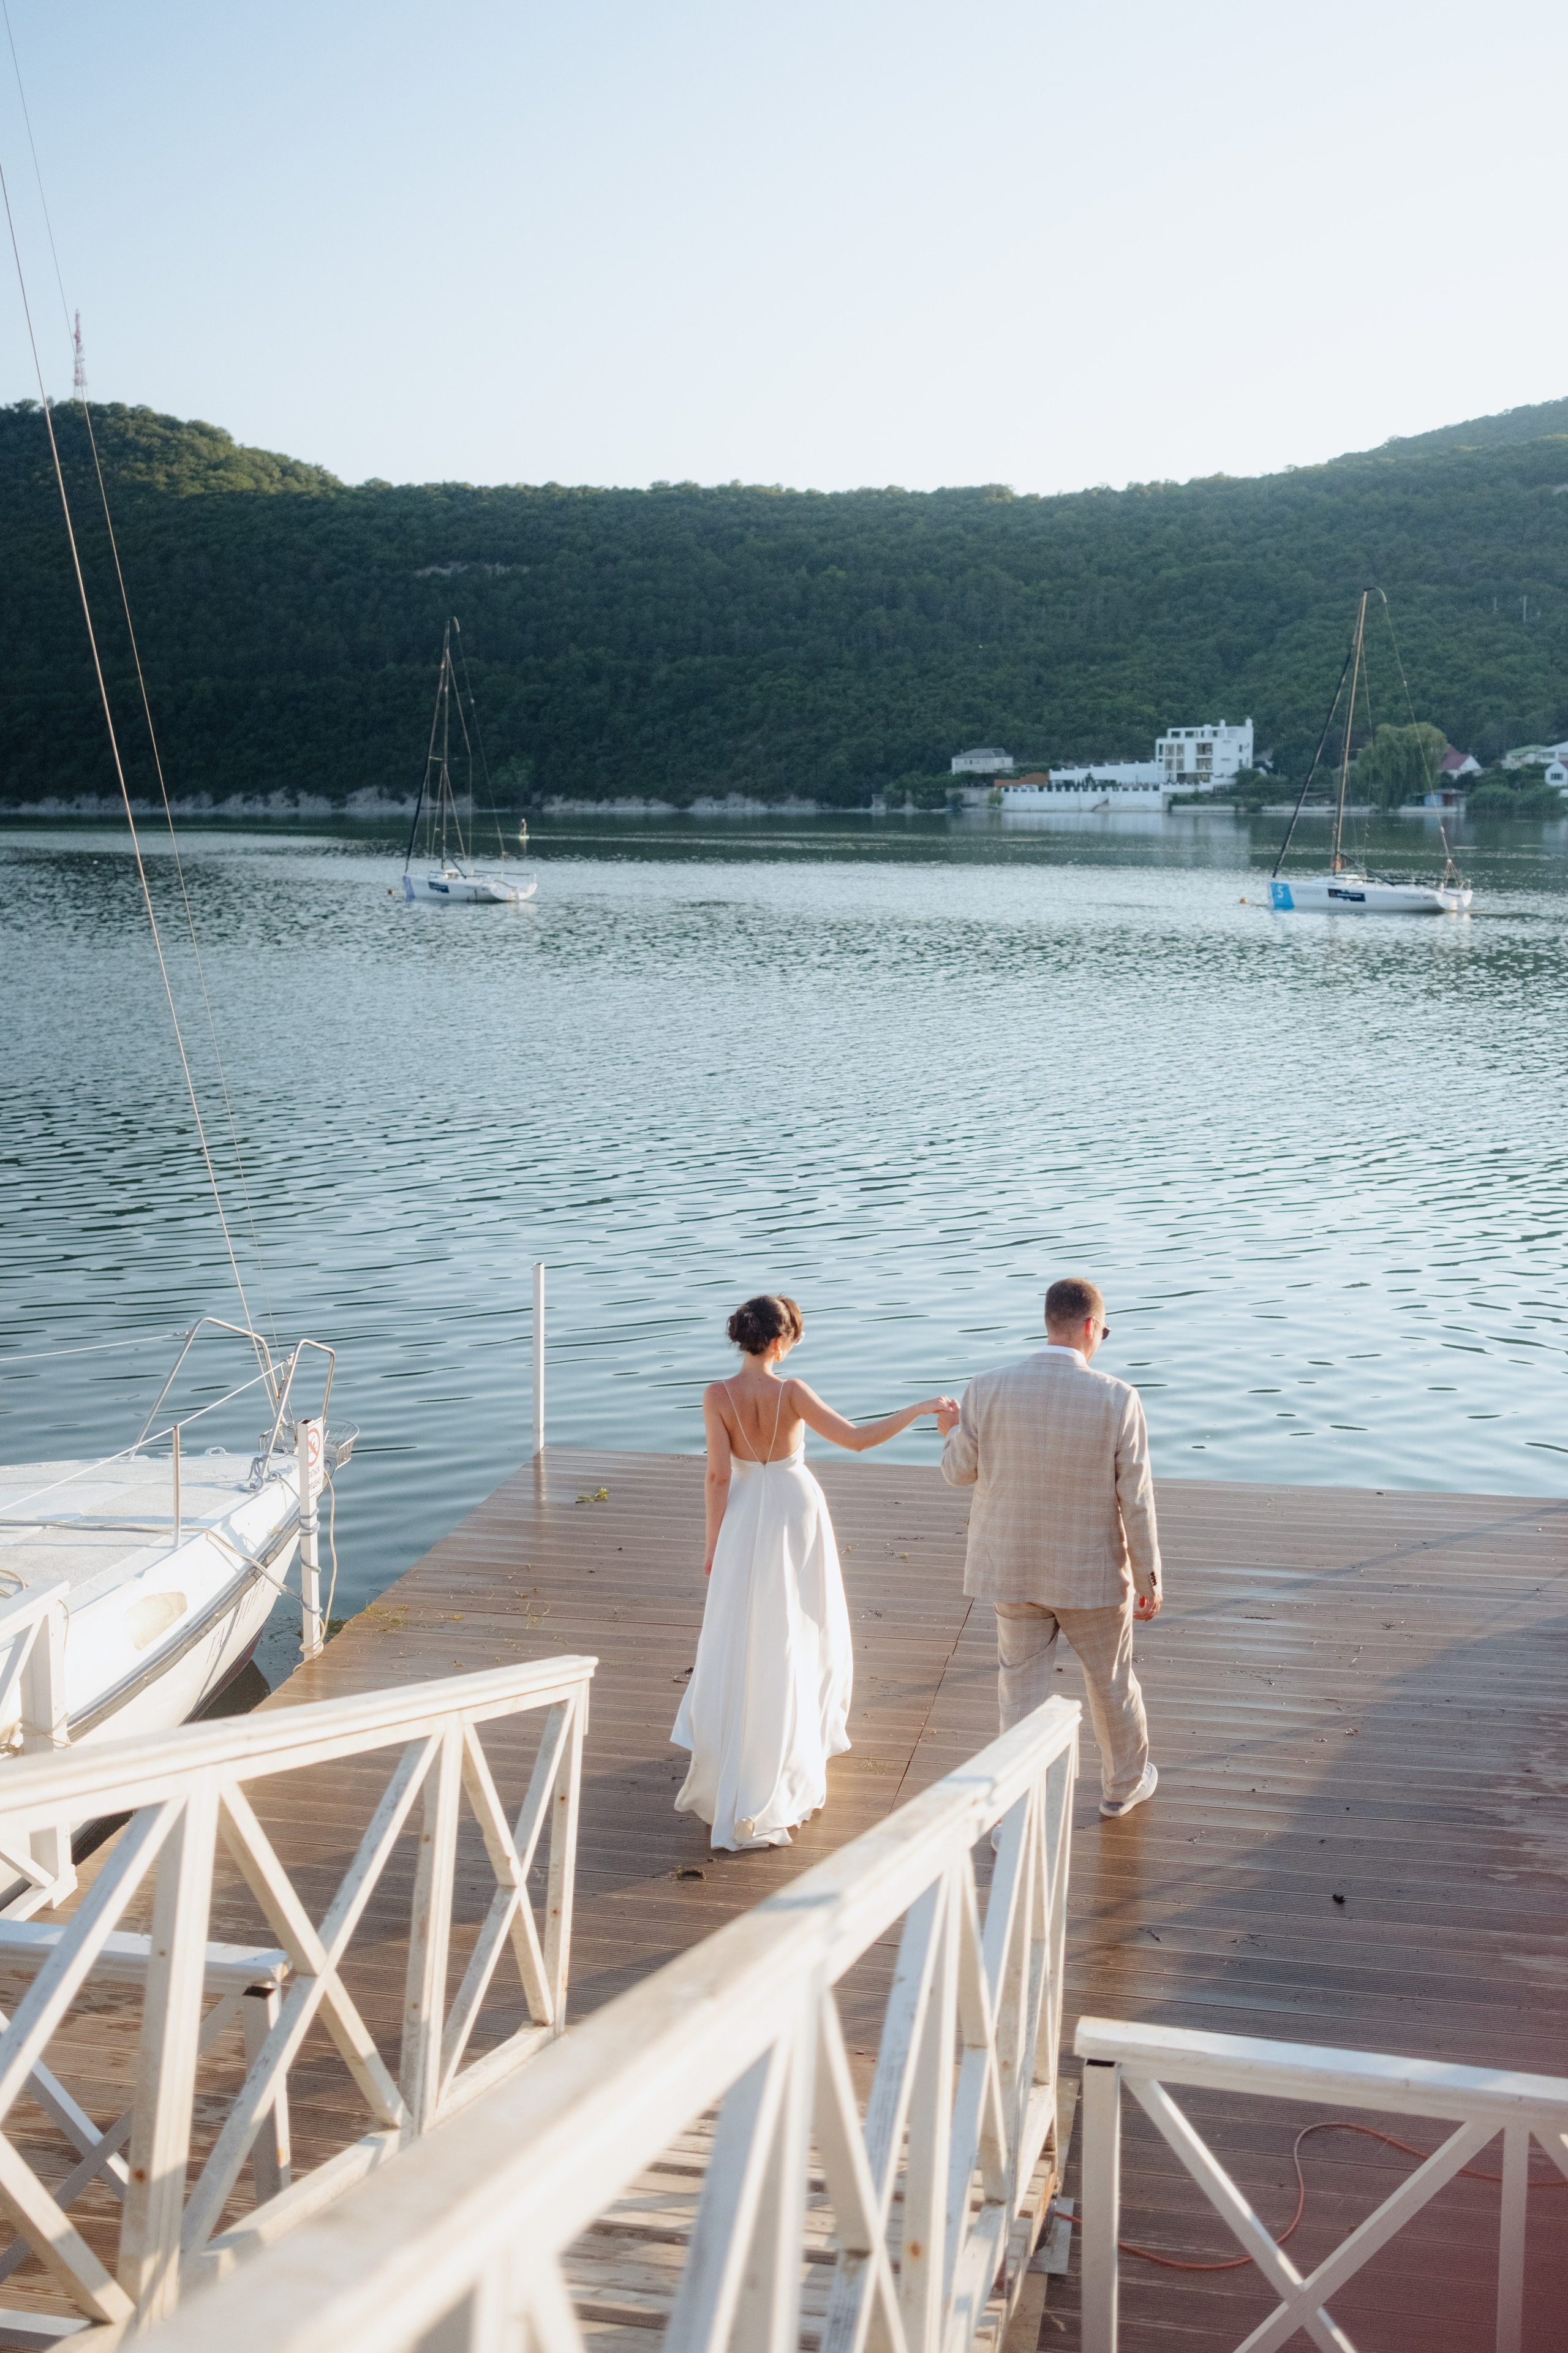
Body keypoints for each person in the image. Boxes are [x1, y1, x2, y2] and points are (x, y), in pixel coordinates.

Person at [673, 1293, 958, 1852]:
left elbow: (715, 1477)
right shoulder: (793, 1392)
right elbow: (855, 1439)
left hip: (742, 1519)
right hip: (795, 1511)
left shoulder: (716, 1395)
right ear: (780, 1342)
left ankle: (741, 1745)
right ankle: (793, 1740)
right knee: (799, 1628)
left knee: (745, 1634)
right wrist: (920, 1409)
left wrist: (714, 1545)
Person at [940, 1275, 1161, 1820]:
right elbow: (1135, 1498)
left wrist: (950, 1430)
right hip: (1091, 1574)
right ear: (1090, 1327)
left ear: (1048, 1322)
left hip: (1012, 1569)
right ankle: (1121, 1786)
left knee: (1019, 1690)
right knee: (1111, 1681)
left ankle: (1019, 1801)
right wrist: (1149, 1574)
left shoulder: (987, 1387)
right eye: (1104, 1330)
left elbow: (957, 1471)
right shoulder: (1118, 1398)